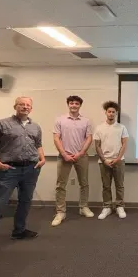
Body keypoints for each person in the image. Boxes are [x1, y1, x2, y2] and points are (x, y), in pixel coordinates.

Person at [0, 96, 45, 262]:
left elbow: (39, 144)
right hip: (8, 170)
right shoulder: (1, 124)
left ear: (31, 108)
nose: (25, 107)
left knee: (25, 201)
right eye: (22, 104)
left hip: (31, 169)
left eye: (28, 105)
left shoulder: (35, 127)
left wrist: (42, 159)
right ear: (15, 106)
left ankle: (19, 231)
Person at [51, 95, 93, 226]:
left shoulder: (86, 121)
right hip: (64, 156)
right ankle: (60, 212)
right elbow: (56, 138)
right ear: (68, 104)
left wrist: (81, 153)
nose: (74, 105)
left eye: (76, 103)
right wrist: (64, 154)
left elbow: (89, 138)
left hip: (81, 156)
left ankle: (83, 207)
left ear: (80, 105)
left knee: (84, 183)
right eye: (71, 103)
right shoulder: (60, 120)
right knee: (60, 185)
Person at [94, 101, 129, 220]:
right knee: (106, 186)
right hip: (104, 162)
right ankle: (107, 206)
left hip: (119, 161)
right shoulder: (99, 128)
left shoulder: (122, 127)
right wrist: (104, 160)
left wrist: (118, 159)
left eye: (113, 112)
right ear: (106, 113)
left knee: (119, 185)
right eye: (109, 111)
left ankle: (119, 206)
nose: (111, 114)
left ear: (116, 113)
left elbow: (124, 144)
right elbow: (97, 146)